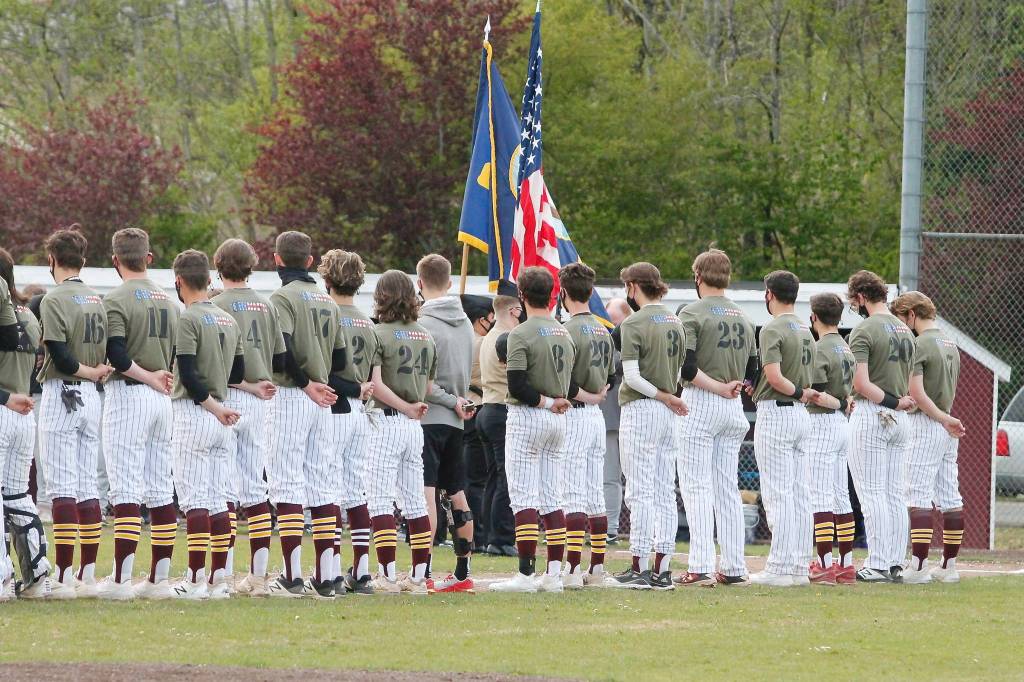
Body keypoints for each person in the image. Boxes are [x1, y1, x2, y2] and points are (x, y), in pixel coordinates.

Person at [92, 228, 178, 600]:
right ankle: (159, 580)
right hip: (162, 399)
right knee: (160, 490)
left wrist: (148, 377)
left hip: (131, 394)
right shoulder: (168, 300)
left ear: (115, 260)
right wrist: (159, 379)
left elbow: (118, 357)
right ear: (149, 257)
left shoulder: (114, 298)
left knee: (126, 489)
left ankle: (121, 580)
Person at [266, 231, 343, 598]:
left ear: (277, 259)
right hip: (322, 398)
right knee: (321, 484)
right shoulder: (326, 298)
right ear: (310, 261)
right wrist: (319, 382)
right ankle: (326, 578)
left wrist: (305, 383)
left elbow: (280, 355)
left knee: (287, 483)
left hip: (293, 394)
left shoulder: (282, 296)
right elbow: (341, 360)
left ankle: (293, 577)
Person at [36, 228, 113, 599]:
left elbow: (64, 359)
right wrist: (96, 373)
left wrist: (90, 371)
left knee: (63, 488)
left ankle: (64, 578)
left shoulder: (54, 298)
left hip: (64, 391)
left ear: (53, 260)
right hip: (92, 398)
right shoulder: (96, 298)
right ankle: (87, 574)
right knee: (87, 488)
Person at [489, 267, 574, 594]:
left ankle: (525, 575)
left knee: (524, 497)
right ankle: (553, 575)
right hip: (558, 419)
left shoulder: (520, 334)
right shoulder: (563, 333)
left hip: (530, 415)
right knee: (553, 497)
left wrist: (545, 402)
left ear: (522, 296)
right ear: (552, 294)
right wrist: (554, 402)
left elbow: (517, 386)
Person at [674, 249, 755, 587]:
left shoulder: (691, 312)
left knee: (696, 487)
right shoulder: (743, 316)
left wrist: (719, 387)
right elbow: (752, 370)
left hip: (703, 402)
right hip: (733, 406)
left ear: (698, 277)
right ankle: (735, 566)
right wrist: (733, 387)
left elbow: (687, 368)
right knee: (726, 489)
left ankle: (701, 565)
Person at [168, 250, 243, 600]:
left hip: (198, 411)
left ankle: (195, 579)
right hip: (222, 411)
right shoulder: (228, 318)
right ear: (209, 280)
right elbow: (239, 373)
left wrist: (211, 406)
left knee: (196, 499)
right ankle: (217, 581)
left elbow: (187, 372)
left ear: (180, 281)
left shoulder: (188, 318)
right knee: (217, 500)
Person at [211, 239, 285, 597]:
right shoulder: (267, 305)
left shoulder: (214, 303)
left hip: (226, 397)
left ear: (219, 265)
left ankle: (222, 574)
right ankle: (258, 576)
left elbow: (212, 363)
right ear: (251, 265)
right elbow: (278, 356)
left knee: (222, 488)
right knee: (256, 487)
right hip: (261, 397)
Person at [606, 262, 685, 591]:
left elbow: (634, 377)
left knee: (639, 491)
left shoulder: (634, 322)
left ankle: (639, 566)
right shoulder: (676, 321)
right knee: (665, 490)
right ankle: (662, 569)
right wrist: (670, 396)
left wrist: (663, 396)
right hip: (668, 413)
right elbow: (680, 370)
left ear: (634, 286)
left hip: (643, 407)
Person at [365, 270, 437, 595]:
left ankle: (388, 576)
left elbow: (377, 385)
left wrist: (406, 407)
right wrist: (413, 405)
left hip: (387, 420)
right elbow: (429, 387)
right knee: (415, 502)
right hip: (413, 425)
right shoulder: (426, 334)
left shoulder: (378, 332)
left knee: (380, 500)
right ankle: (419, 577)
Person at [748, 270, 819, 587]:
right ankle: (799, 566)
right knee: (800, 493)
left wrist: (795, 391)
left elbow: (776, 377)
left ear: (769, 294)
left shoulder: (772, 327)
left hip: (778, 411)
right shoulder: (804, 328)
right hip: (801, 415)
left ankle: (779, 567)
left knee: (778, 493)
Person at [845, 270, 916, 583]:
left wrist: (891, 402)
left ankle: (877, 563)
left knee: (872, 494)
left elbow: (861, 382)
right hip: (901, 420)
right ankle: (894, 562)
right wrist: (899, 402)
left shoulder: (865, 329)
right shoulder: (904, 329)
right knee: (894, 495)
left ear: (861, 296)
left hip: (876, 413)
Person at [890, 292, 966, 584]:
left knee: (917, 494)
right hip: (946, 424)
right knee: (949, 495)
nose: (904, 326)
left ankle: (918, 567)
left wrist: (940, 417)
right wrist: (946, 417)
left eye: (903, 319)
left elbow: (918, 392)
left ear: (911, 314)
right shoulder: (950, 342)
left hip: (928, 422)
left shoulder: (920, 343)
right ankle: (949, 566)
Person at [415, 254, 477, 594]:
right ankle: (463, 571)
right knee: (457, 493)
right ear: (450, 282)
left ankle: (422, 572)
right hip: (457, 419)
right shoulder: (466, 322)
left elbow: (423, 383)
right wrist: (457, 400)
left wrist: (449, 400)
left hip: (431, 416)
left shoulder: (423, 324)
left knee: (426, 494)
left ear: (419, 283)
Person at [317, 249, 377, 596]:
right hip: (359, 411)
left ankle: (333, 572)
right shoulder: (368, 323)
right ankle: (363, 572)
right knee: (356, 490)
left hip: (334, 406)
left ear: (327, 280)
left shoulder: (328, 315)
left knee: (329, 490)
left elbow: (326, 370)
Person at [557, 263, 615, 589]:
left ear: (564, 293)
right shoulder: (603, 329)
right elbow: (611, 375)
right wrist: (597, 395)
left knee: (573, 493)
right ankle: (597, 568)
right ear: (591, 292)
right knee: (595, 493)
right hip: (595, 417)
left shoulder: (566, 330)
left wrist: (588, 396)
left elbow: (562, 382)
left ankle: (573, 569)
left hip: (577, 412)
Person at [0, 249, 51, 600]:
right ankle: (38, 577)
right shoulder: (28, 313)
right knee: (19, 495)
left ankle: (3, 579)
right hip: (24, 413)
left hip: (4, 406)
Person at [803, 293, 857, 585]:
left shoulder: (821, 346)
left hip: (822, 422)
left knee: (820, 494)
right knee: (840, 494)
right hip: (840, 425)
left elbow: (819, 394)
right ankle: (846, 565)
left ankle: (824, 564)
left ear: (814, 316)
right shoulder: (845, 347)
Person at [476, 292, 521, 557]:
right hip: (502, 409)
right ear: (514, 311)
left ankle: (490, 535)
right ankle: (502, 537)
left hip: (487, 407)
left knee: (494, 477)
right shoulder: (506, 338)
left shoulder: (488, 337)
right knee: (507, 477)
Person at [460, 294, 493, 552]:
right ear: (480, 319)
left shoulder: (462, 341)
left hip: (462, 410)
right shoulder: (482, 343)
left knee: (467, 480)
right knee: (478, 480)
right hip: (478, 406)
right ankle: (479, 535)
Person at [601, 298, 631, 543]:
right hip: (603, 415)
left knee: (614, 475)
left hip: (620, 417)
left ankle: (610, 527)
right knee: (603, 475)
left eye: (614, 320)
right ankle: (603, 524)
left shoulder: (628, 339)